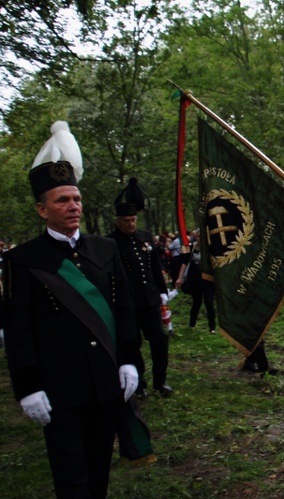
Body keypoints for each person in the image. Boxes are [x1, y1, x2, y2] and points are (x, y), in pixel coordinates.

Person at [2, 122, 140, 498]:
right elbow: (19, 329)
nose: (73, 206)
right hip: (59, 387)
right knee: (70, 475)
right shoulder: (23, 259)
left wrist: (129, 359)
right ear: (41, 209)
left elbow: (124, 310)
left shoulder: (104, 249)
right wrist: (28, 387)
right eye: (62, 200)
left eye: (76, 199)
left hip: (104, 380)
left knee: (99, 469)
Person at [108, 178, 173, 398]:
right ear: (118, 221)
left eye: (133, 220)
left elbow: (154, 266)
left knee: (159, 340)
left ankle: (160, 381)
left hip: (150, 300)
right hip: (129, 303)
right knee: (132, 343)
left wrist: (162, 291)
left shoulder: (144, 237)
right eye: (126, 221)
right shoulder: (110, 242)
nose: (131, 224)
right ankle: (140, 384)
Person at [176, 233, 217, 333]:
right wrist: (179, 278)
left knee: (209, 302)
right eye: (198, 236)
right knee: (196, 303)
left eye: (202, 236)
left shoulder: (210, 248)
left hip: (208, 280)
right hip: (195, 280)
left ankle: (212, 328)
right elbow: (184, 263)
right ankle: (192, 324)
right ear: (196, 237)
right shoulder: (191, 247)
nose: (200, 238)